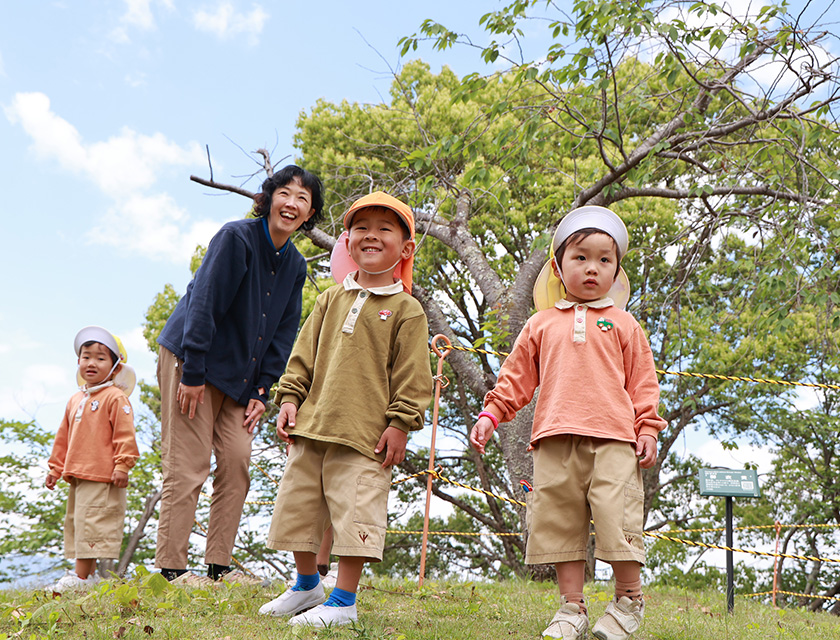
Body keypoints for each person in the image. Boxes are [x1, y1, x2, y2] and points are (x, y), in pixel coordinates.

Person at [470, 206, 667, 640]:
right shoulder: (540, 324)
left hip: (614, 439)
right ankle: (571, 608)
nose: (592, 268)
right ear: (558, 268)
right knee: (560, 522)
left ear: (616, 271)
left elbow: (643, 382)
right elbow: (516, 378)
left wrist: (647, 427)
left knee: (618, 518)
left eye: (604, 260)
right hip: (553, 438)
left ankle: (628, 601)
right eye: (580, 258)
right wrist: (492, 414)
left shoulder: (625, 324)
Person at [258, 191, 433, 627]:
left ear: (406, 248)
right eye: (361, 228)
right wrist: (290, 398)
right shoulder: (329, 300)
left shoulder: (407, 310)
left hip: (365, 434)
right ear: (347, 240)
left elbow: (414, 377)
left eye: (384, 229)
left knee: (355, 513)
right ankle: (306, 585)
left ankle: (343, 601)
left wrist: (400, 424)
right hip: (312, 425)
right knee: (299, 508)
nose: (371, 236)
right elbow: (303, 355)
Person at [154, 165, 324, 586]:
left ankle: (219, 568)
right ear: (268, 199)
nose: (292, 203)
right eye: (285, 193)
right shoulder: (236, 237)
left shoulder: (296, 266)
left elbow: (283, 331)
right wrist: (191, 372)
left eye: (302, 199)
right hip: (192, 362)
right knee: (189, 465)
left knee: (237, 461)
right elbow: (205, 303)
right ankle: (172, 570)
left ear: (309, 214)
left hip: (241, 380)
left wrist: (263, 389)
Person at [45, 326, 139, 593]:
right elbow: (63, 437)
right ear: (78, 361)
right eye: (86, 356)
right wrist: (55, 467)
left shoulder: (115, 397)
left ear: (115, 367)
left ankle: (82, 578)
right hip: (77, 474)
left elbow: (125, 434)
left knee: (93, 524)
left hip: (103, 474)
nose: (91, 363)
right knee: (78, 522)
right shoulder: (75, 399)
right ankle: (84, 576)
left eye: (100, 358)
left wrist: (123, 464)